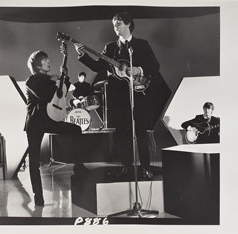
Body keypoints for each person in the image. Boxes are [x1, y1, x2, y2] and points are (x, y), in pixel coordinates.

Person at [73, 12, 164, 180]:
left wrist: (138, 70)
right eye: (114, 24)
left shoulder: (142, 45)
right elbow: (98, 67)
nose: (115, 27)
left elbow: (155, 66)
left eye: (119, 23)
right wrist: (82, 54)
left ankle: (145, 168)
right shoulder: (110, 48)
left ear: (129, 24)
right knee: (123, 134)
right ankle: (126, 167)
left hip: (139, 94)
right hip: (119, 98)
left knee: (141, 132)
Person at [24, 50, 87, 206]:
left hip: (51, 118)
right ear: (37, 64)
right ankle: (38, 195)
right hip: (35, 122)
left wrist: (64, 77)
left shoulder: (50, 80)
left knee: (76, 130)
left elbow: (62, 93)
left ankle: (79, 167)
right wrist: (54, 79)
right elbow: (46, 96)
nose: (49, 61)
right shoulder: (31, 81)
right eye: (45, 60)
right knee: (34, 160)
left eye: (48, 59)